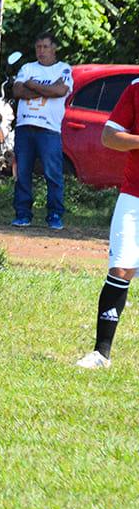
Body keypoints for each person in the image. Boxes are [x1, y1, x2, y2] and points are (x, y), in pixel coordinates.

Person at [76, 78, 139, 369]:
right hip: (134, 196)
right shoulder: (136, 88)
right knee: (120, 268)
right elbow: (109, 136)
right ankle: (101, 353)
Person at [11, 34, 73, 230]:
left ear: (54, 48)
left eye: (45, 47)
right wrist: (47, 88)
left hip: (49, 129)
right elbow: (18, 92)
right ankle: (22, 214)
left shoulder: (63, 68)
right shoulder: (27, 68)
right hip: (25, 127)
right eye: (38, 47)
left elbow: (60, 91)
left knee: (52, 173)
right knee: (22, 172)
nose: (41, 51)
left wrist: (33, 84)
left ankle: (54, 214)